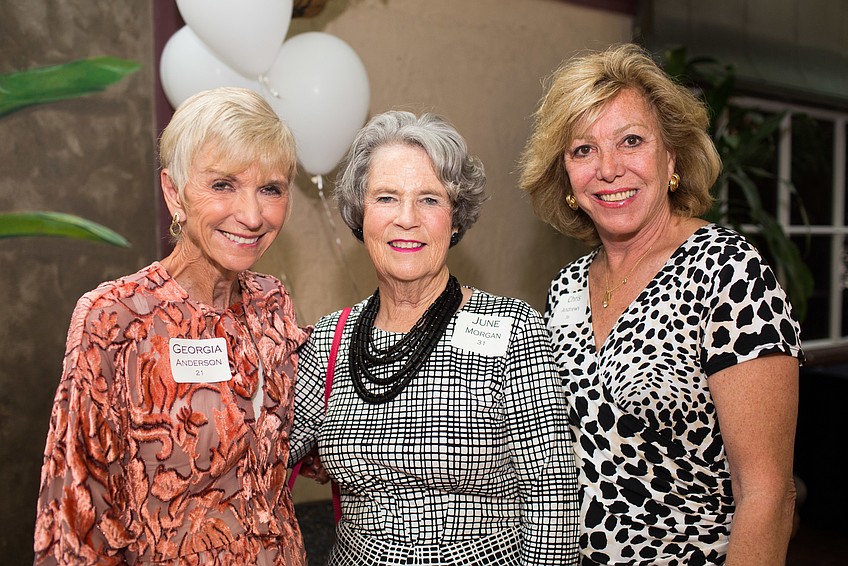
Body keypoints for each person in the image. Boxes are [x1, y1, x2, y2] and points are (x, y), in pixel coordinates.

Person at [518, 43, 804, 565]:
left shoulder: (727, 271)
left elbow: (767, 497)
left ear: (671, 156)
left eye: (631, 141)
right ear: (565, 177)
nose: (607, 169)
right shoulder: (563, 291)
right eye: (583, 149)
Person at [34, 87, 310, 565]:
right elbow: (76, 511)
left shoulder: (273, 303)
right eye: (222, 185)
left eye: (270, 189)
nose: (251, 215)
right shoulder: (117, 317)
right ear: (173, 192)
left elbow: (306, 446)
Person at [290, 110, 579, 565]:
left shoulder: (513, 329)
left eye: (429, 199)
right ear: (360, 214)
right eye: (386, 197)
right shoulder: (330, 338)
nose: (407, 219)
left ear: (456, 217)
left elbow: (553, 500)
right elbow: (265, 454)